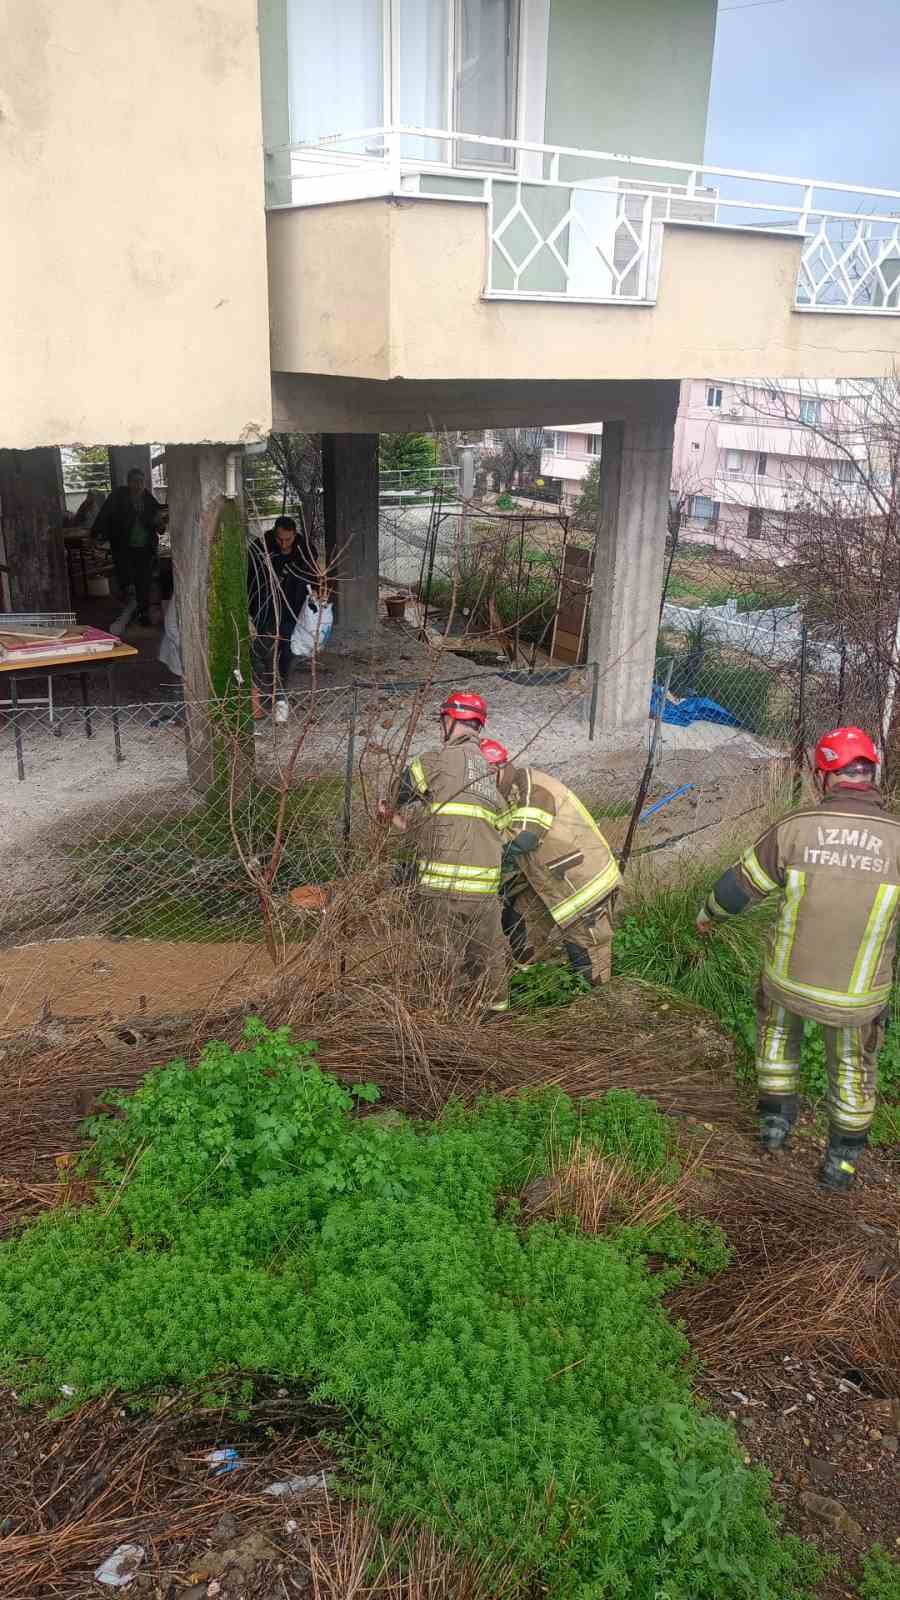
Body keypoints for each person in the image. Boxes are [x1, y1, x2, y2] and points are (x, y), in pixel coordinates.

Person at [696, 726, 900, 1191]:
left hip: (787, 984)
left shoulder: (796, 828)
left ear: (823, 775)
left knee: (777, 1035)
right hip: (855, 999)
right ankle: (841, 1165)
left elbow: (736, 889)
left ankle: (774, 1128)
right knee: (853, 1068)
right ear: (870, 773)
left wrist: (707, 915)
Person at [379, 691, 508, 1015]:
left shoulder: (435, 760)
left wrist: (394, 816)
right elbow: (495, 830)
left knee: (438, 961)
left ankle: (436, 1022)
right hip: (485, 892)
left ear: (450, 720)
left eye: (442, 721)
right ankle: (494, 1021)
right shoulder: (489, 775)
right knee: (487, 961)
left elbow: (395, 795)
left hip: (443, 888)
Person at [482, 743, 621, 987]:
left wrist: (483, 863)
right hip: (548, 879)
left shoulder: (532, 787)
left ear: (495, 770)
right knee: (519, 921)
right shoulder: (503, 795)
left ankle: (594, 1000)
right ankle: (530, 985)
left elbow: (525, 840)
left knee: (585, 950)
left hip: (583, 882)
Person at [248, 517, 319, 723]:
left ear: (295, 534)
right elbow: (252, 580)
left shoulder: (305, 550)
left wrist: (316, 595)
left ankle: (280, 694)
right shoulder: (261, 548)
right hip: (267, 609)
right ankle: (276, 697)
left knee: (289, 650)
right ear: (274, 533)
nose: (284, 544)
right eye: (280, 539)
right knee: (266, 651)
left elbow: (313, 577)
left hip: (294, 610)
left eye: (288, 540)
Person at [92, 468, 165, 625]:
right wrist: (97, 535)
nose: (138, 485)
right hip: (124, 548)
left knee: (144, 583)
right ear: (128, 482)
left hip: (145, 549)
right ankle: (129, 612)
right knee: (126, 582)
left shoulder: (149, 500)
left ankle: (143, 613)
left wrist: (159, 523)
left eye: (141, 482)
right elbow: (104, 516)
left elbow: (160, 526)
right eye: (134, 481)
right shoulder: (118, 498)